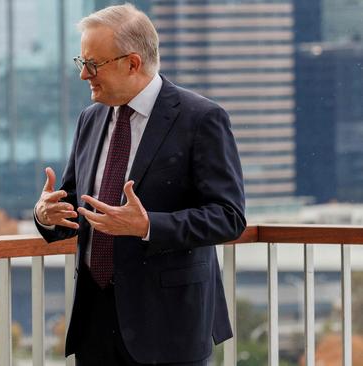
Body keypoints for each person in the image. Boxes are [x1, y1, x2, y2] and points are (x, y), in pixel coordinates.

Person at [34, 4, 246, 366]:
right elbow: (73, 202)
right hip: (96, 323)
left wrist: (147, 225)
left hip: (168, 326)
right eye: (80, 62)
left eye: (93, 64)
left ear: (132, 63)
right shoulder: (91, 117)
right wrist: (46, 215)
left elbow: (229, 216)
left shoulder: (201, 119)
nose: (84, 75)